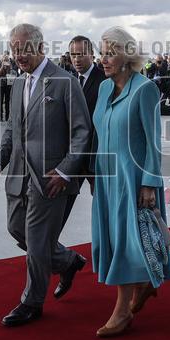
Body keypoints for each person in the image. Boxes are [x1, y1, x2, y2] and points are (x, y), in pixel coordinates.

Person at [0, 24, 91, 327]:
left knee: (37, 239)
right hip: (18, 176)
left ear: (40, 47)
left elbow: (82, 133)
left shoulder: (64, 82)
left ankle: (31, 303)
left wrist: (65, 171)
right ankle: (67, 262)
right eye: (14, 48)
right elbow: (11, 131)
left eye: (23, 48)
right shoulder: (18, 83)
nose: (18, 54)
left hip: (50, 180)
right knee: (16, 229)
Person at [91, 26, 170, 337]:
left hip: (134, 178)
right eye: (102, 53)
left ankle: (122, 310)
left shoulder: (145, 89)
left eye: (110, 53)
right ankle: (143, 285)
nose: (104, 59)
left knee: (128, 241)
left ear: (127, 55)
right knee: (114, 239)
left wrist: (149, 183)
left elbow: (153, 140)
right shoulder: (102, 88)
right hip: (107, 177)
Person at [63, 34, 107, 226]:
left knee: (103, 207)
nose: (77, 59)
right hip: (73, 157)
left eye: (81, 54)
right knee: (61, 208)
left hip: (95, 158)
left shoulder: (105, 80)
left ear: (92, 54)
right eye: (73, 54)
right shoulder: (69, 80)